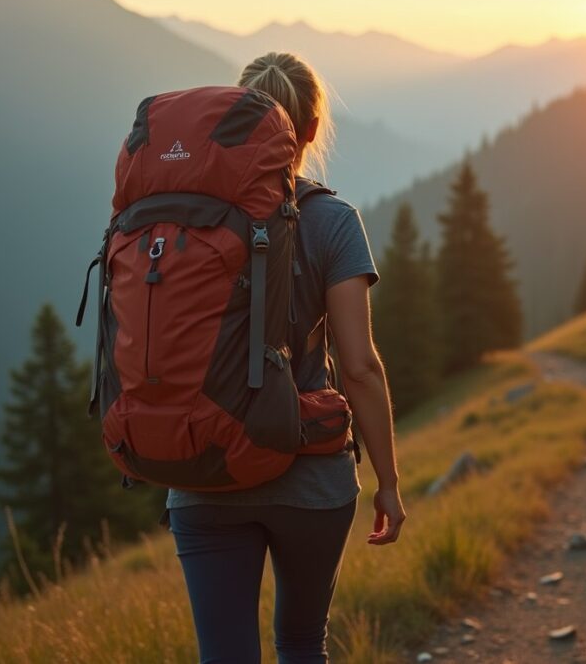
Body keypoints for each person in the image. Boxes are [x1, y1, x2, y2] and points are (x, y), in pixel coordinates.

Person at [166, 51, 407, 663]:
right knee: (301, 643)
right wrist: (389, 483)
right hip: (309, 476)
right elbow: (358, 366)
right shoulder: (332, 221)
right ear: (309, 130)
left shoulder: (185, 220)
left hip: (206, 473)